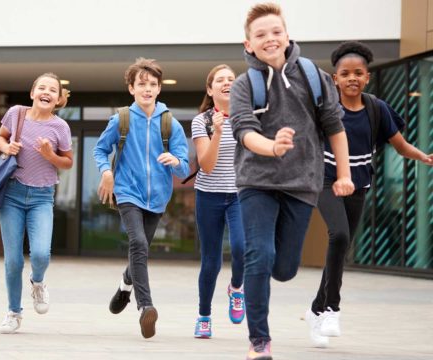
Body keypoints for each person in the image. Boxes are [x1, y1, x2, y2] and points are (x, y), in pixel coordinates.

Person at [230, 3, 355, 359]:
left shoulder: (313, 76)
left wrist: (344, 175)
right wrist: (272, 146)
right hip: (257, 182)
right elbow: (244, 133)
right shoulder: (244, 85)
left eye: (276, 32)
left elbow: (334, 126)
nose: (270, 39)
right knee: (259, 254)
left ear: (286, 35)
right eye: (261, 35)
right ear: (249, 44)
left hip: (302, 184)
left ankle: (255, 283)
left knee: (283, 269)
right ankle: (259, 341)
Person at [305, 41, 433, 348]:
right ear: (334, 78)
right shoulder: (325, 109)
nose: (352, 78)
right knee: (338, 236)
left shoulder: (377, 108)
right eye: (345, 73)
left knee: (343, 245)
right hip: (324, 180)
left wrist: (425, 156)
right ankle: (332, 308)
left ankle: (315, 311)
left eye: (358, 73)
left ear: (367, 78)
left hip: (359, 184)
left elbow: (400, 145)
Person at [94, 58, 189, 339]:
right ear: (131, 88)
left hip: (158, 197)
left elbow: (185, 167)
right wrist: (106, 173)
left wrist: (175, 160)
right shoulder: (120, 119)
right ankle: (145, 306)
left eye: (152, 84)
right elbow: (100, 150)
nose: (147, 89)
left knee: (141, 248)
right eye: (141, 84)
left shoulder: (170, 123)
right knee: (137, 243)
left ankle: (125, 285)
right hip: (127, 191)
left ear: (159, 89)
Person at [0, 73, 73, 334]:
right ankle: (14, 312)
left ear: (58, 99)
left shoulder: (60, 127)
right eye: (42, 87)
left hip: (42, 197)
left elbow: (68, 162)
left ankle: (37, 282)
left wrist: (50, 155)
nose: (46, 92)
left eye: (53, 89)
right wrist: (6, 148)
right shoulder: (16, 113)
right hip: (12, 194)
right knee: (13, 260)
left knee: (40, 253)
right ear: (32, 93)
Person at [191, 64, 245, 339]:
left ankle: (236, 288)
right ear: (210, 89)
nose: (227, 83)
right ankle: (204, 315)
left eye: (232, 79)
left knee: (240, 247)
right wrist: (219, 132)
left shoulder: (248, 118)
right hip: (209, 195)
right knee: (210, 262)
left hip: (239, 195)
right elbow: (207, 165)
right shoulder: (201, 121)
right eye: (220, 80)